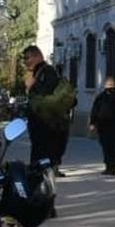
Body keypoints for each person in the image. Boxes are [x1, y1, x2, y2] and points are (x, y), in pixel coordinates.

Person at [22, 45, 73, 176]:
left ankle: (45, 171)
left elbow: (43, 98)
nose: (25, 61)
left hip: (47, 124)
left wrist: (31, 87)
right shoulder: (40, 72)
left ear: (37, 57)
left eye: (27, 58)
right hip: (45, 124)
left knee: (42, 151)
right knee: (43, 150)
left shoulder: (46, 72)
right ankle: (46, 169)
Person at [87, 75, 115, 176]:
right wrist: (93, 123)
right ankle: (109, 166)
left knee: (112, 146)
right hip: (104, 126)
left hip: (114, 126)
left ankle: (112, 166)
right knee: (107, 146)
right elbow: (95, 111)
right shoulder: (102, 97)